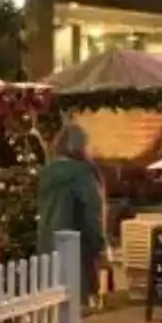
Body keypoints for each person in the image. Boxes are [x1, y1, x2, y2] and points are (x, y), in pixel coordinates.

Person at [36, 123, 105, 302]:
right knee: (74, 309)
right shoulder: (82, 173)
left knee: (52, 304)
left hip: (47, 244)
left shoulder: (46, 173)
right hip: (76, 248)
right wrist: (99, 244)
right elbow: (92, 212)